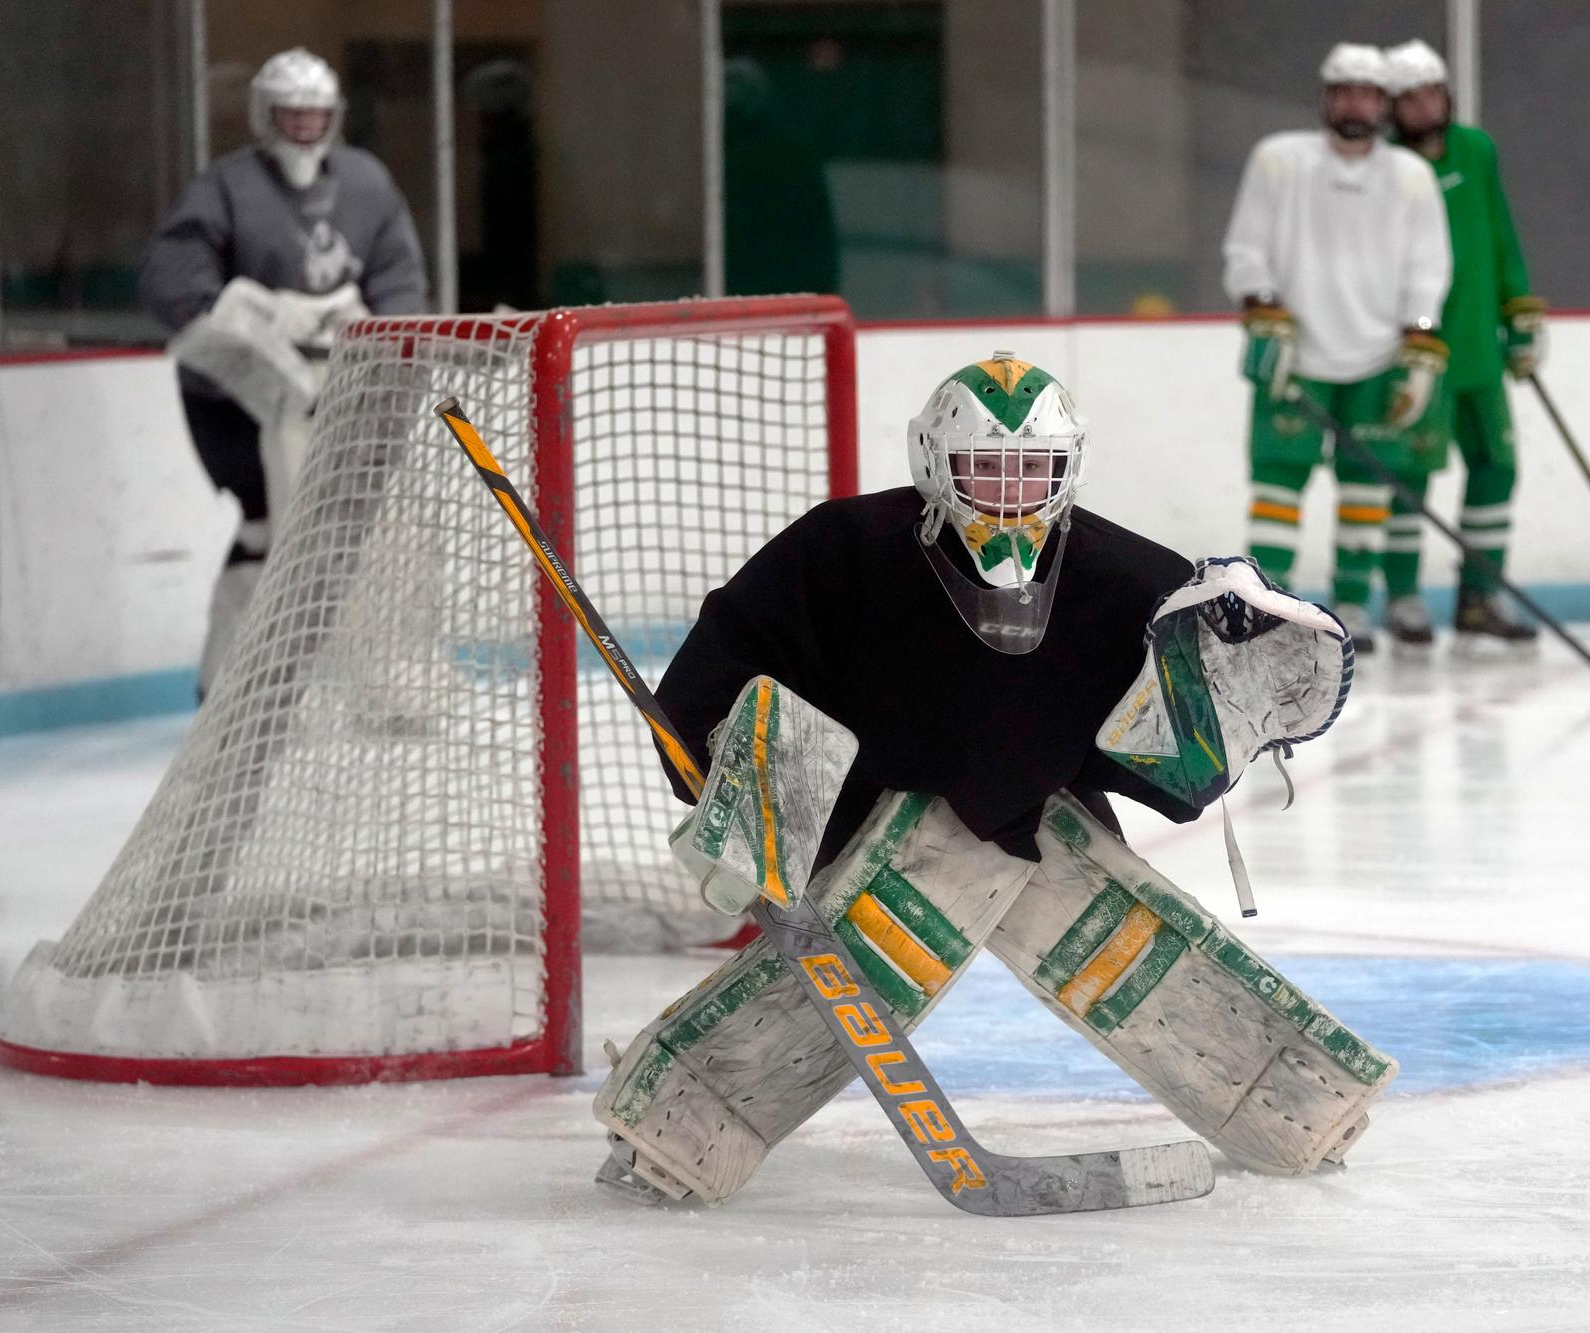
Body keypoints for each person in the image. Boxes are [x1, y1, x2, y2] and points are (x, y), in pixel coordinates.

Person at [591, 353, 1395, 1204]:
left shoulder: (1125, 576)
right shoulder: (844, 549)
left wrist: (1226, 705)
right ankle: (670, 1134)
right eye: (987, 464)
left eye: (1032, 467)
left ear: (1066, 468)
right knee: (871, 943)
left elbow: (1171, 754)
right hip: (868, 821)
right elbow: (722, 664)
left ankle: (1302, 1107)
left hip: (1033, 823)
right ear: (937, 460)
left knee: (1122, 943)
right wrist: (739, 775)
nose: (1010, 488)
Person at [139, 48, 428, 694]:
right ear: (263, 115)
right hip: (234, 402)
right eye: (290, 114)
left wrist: (376, 341)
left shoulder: (367, 184)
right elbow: (173, 280)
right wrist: (248, 319)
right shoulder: (224, 188)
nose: (303, 126)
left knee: (376, 530)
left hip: (341, 389)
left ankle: (384, 680)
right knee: (267, 529)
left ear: (335, 116)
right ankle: (232, 689)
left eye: (315, 114)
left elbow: (401, 282)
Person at [1221, 42, 1452, 653]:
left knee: (1365, 487)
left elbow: (1429, 269)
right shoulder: (1278, 161)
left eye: (1367, 93)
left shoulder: (1411, 176)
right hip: (1295, 352)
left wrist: (1420, 337)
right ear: (1326, 96)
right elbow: (1247, 249)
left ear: (1383, 104)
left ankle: (1353, 605)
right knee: (1278, 480)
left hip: (1378, 356)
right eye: (1343, 90)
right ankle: (1269, 606)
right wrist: (1261, 308)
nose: (1355, 102)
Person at [1380, 39, 1544, 650]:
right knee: (1410, 476)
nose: (1424, 107)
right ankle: (1402, 598)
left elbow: (1500, 233)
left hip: (1480, 349)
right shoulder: (1388, 168)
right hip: (1420, 353)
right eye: (1410, 99)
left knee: (1497, 467)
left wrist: (1520, 309)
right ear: (1393, 107)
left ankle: (1480, 596)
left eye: (1432, 94)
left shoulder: (1476, 150)